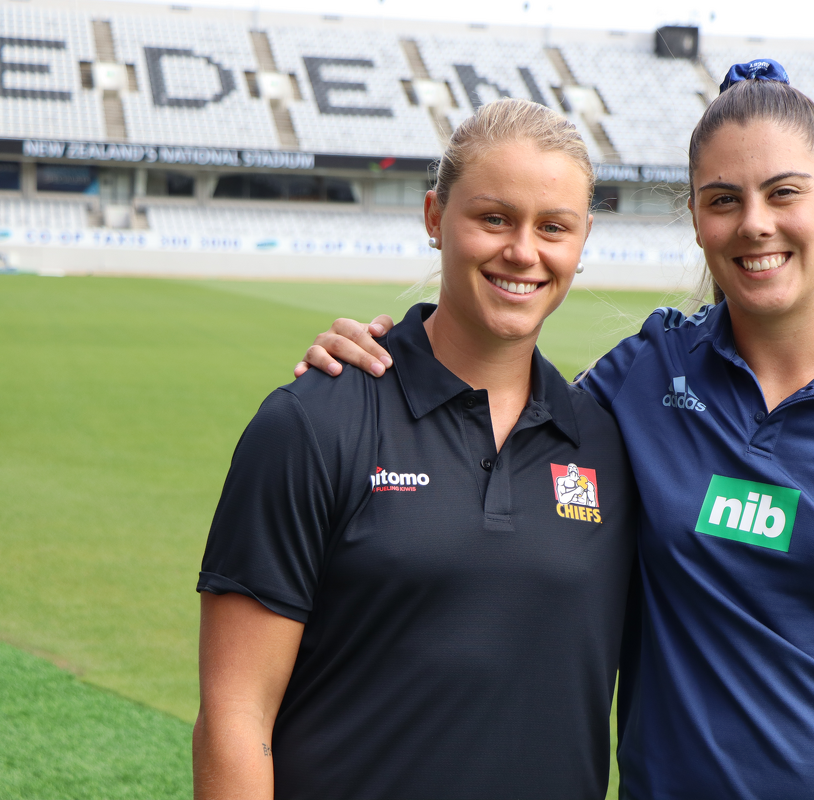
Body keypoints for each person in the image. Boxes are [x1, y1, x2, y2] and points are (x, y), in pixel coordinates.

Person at [296, 61, 814, 799]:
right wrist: (378, 366)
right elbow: (498, 424)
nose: (755, 224)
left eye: (784, 193)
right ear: (696, 218)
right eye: (724, 199)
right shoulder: (644, 377)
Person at [193, 98, 639, 800]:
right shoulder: (313, 422)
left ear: (582, 244)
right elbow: (234, 717)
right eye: (493, 218)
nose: (523, 251)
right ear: (436, 218)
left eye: (553, 227)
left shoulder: (611, 446)